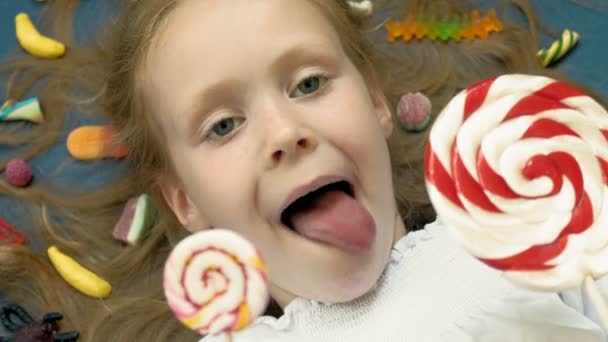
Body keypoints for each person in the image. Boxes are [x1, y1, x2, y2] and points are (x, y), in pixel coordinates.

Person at [1, 0, 607, 341]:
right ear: (186, 204)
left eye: (309, 83)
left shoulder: (517, 238)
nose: (285, 134)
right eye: (223, 125)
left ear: (375, 103)